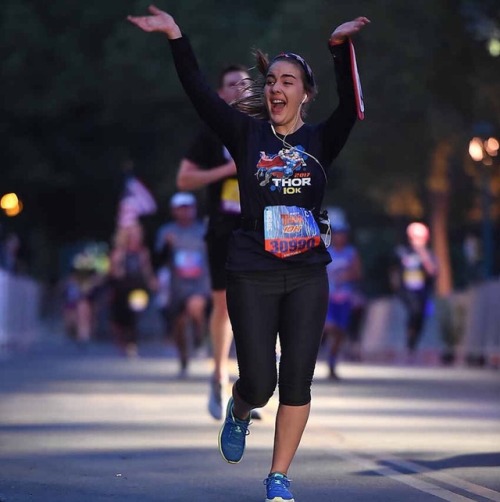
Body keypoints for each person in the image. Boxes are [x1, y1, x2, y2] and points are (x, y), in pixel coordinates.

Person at [128, 7, 370, 501]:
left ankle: (279, 477)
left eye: (288, 81)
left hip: (307, 272)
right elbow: (198, 92)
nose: (277, 88)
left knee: (298, 378)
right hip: (251, 270)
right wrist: (176, 35)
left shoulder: (321, 139)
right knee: (260, 380)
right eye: (272, 81)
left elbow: (353, 106)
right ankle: (240, 409)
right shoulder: (246, 135)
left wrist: (340, 50)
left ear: (304, 93)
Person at [176, 64, 251, 417]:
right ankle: (219, 376)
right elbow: (184, 180)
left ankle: (250, 384)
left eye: (245, 84)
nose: (239, 90)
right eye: (232, 85)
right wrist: (227, 170)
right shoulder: (211, 133)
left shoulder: (266, 129)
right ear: (222, 94)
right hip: (223, 229)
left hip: (262, 229)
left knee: (261, 305)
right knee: (224, 307)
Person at [155, 192, 211, 378]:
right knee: (178, 324)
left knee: (195, 307)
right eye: (181, 208)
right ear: (174, 211)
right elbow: (159, 260)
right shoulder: (167, 231)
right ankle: (183, 360)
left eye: (188, 207)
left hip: (200, 284)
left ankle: (199, 338)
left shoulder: (203, 230)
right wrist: (167, 246)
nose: (185, 212)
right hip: (177, 285)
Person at [108, 222, 156, 357]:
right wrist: (118, 269)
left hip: (137, 288)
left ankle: (132, 342)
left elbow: (147, 270)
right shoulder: (119, 252)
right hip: (122, 289)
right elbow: (113, 272)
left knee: (134, 313)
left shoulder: (143, 252)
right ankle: (123, 341)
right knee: (120, 317)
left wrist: (152, 281)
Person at [391, 222, 438, 360]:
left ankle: (412, 343)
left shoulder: (428, 255)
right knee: (414, 311)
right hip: (406, 291)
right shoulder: (402, 252)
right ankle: (409, 343)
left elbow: (433, 272)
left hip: (422, 292)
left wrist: (423, 255)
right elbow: (394, 271)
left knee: (420, 317)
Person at [323, 221, 362, 380]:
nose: (340, 237)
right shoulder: (327, 252)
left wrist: (346, 276)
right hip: (329, 297)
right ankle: (322, 346)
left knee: (340, 332)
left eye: (343, 235)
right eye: (337, 234)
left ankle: (332, 361)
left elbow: (358, 273)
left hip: (344, 297)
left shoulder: (351, 253)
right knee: (329, 326)